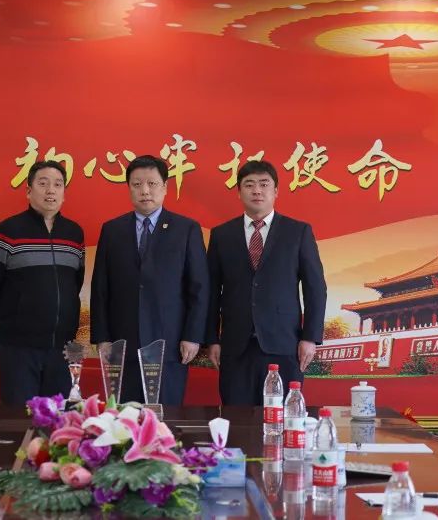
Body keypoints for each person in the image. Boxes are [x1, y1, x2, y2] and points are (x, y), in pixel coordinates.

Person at [90, 155, 209, 406]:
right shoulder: (112, 230)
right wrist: (102, 337)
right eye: (137, 184)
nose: (145, 191)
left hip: (170, 344)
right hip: (122, 345)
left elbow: (198, 287)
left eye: (152, 184)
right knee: (125, 418)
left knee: (165, 417)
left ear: (165, 187)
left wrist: (193, 335)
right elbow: (101, 287)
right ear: (129, 188)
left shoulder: (186, 229)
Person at [205, 160, 327, 405]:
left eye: (264, 184)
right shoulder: (222, 235)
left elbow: (315, 288)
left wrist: (310, 337)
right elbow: (211, 291)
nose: (257, 191)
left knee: (281, 416)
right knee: (237, 417)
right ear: (239, 192)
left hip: (284, 344)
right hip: (235, 346)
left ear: (276, 191)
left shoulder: (298, 232)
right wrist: (211, 339)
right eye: (249, 185)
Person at [0, 161, 85, 405]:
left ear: (64, 193)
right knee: (19, 417)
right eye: (43, 183)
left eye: (58, 185)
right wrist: (13, 317)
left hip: (62, 348)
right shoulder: (7, 231)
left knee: (58, 417)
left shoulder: (74, 234)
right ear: (28, 191)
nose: (51, 190)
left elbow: (74, 283)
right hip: (18, 348)